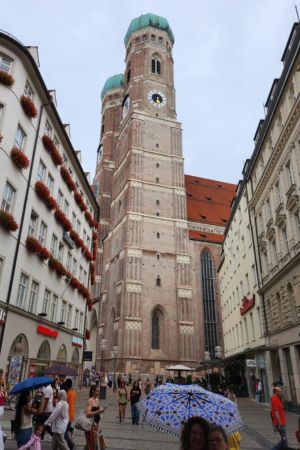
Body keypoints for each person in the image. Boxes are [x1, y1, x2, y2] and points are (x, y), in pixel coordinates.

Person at [85, 385, 107, 450]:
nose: (99, 393)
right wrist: (98, 411)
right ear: (93, 391)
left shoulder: (97, 399)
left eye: (99, 391)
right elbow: (88, 414)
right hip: (91, 426)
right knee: (92, 445)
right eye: (97, 391)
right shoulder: (90, 400)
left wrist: (102, 410)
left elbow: (98, 411)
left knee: (93, 445)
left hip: (96, 425)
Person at [64, 379, 76, 450]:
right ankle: (71, 430)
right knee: (66, 429)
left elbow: (66, 404)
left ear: (67, 385)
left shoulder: (68, 393)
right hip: (72, 413)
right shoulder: (74, 392)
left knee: (64, 432)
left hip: (68, 415)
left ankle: (71, 445)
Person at [0, 375, 7, 450]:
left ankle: (2, 435)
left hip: (1, 408)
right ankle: (3, 435)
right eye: (2, 379)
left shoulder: (3, 388)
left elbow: (6, 397)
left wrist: (4, 390)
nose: (4, 380)